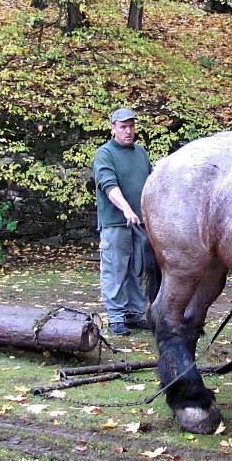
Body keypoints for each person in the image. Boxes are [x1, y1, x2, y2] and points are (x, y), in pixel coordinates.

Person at [93, 108, 152, 336]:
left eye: (131, 126)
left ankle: (135, 315)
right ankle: (116, 317)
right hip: (116, 224)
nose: (128, 131)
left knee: (138, 271)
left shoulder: (141, 153)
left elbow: (150, 184)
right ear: (113, 129)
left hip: (140, 224)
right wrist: (127, 210)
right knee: (115, 271)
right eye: (123, 127)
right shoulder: (105, 154)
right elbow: (109, 186)